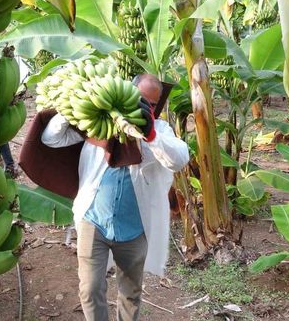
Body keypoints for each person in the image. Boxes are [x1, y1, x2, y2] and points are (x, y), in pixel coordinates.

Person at [41, 74, 189, 321]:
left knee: (130, 293)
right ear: (126, 94)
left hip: (134, 228)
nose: (145, 107)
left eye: (152, 104)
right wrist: (75, 106)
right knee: (89, 290)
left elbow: (179, 158)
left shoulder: (159, 130)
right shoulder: (100, 124)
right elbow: (51, 138)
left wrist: (150, 133)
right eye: (140, 100)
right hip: (94, 220)